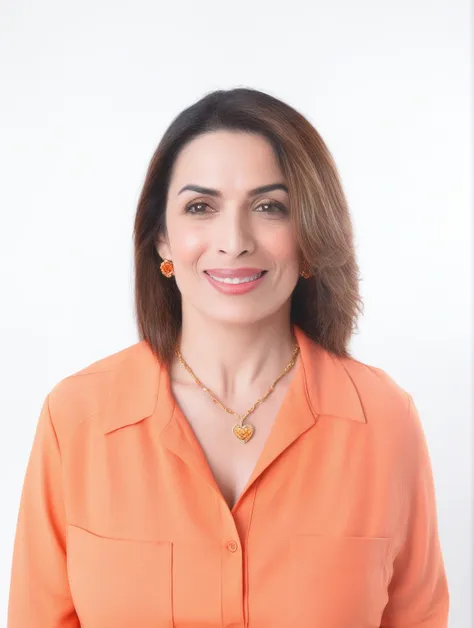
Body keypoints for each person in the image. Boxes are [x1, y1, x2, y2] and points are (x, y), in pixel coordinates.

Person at [7, 87, 449, 627]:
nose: (234, 240)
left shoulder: (384, 419)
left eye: (269, 207)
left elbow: (418, 617)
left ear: (310, 235)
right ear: (162, 241)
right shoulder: (76, 418)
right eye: (201, 207)